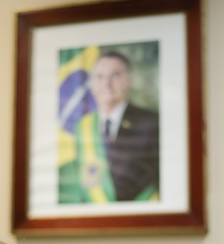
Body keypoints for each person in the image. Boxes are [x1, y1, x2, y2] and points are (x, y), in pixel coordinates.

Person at [59, 50, 159, 203]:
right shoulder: (82, 126)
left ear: (129, 81)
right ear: (91, 84)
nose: (106, 83)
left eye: (115, 75)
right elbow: (83, 183)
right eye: (99, 77)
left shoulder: (152, 122)